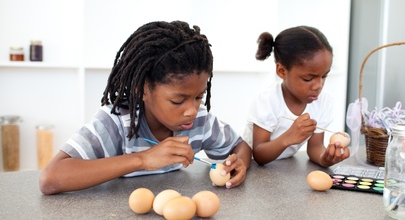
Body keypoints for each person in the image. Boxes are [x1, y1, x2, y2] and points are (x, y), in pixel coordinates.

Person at [39, 20, 251, 195]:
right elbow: (51, 178)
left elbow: (240, 146)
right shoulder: (116, 123)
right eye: (178, 101)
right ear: (142, 89)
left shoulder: (201, 122)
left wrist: (237, 163)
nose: (192, 110)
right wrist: (144, 159)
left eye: (199, 97)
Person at [242, 25, 350, 167]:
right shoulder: (268, 101)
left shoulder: (322, 102)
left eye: (324, 76)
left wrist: (325, 158)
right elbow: (259, 154)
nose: (318, 86)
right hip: (250, 167)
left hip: (284, 168)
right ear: (282, 71)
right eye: (308, 79)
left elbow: (315, 148)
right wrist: (288, 137)